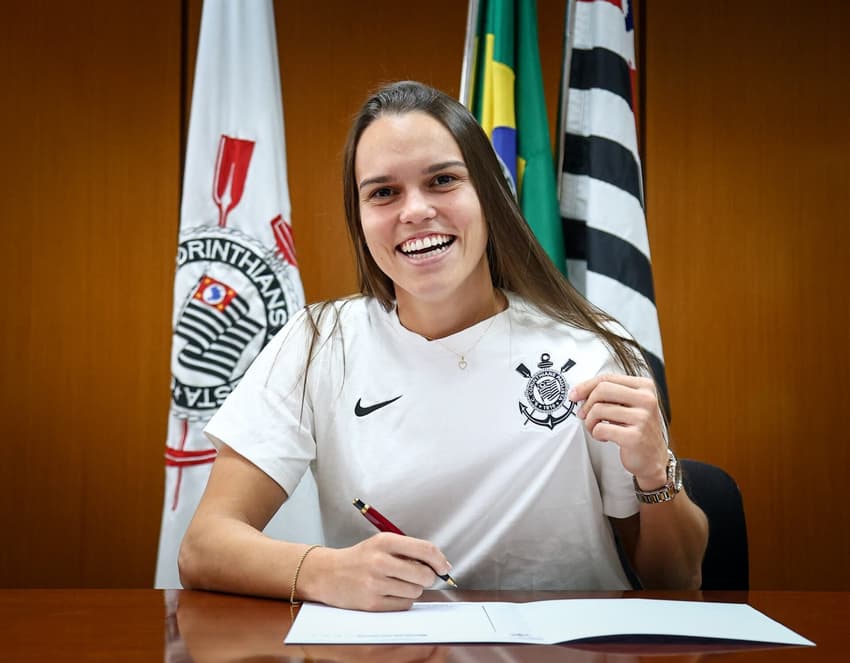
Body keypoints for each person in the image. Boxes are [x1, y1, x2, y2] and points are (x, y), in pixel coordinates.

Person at [178, 81, 708, 612]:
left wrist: (655, 473)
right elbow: (204, 545)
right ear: (360, 220)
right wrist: (323, 570)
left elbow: (675, 580)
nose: (415, 211)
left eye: (443, 181)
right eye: (383, 192)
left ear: (489, 194)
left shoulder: (592, 346)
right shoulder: (318, 342)